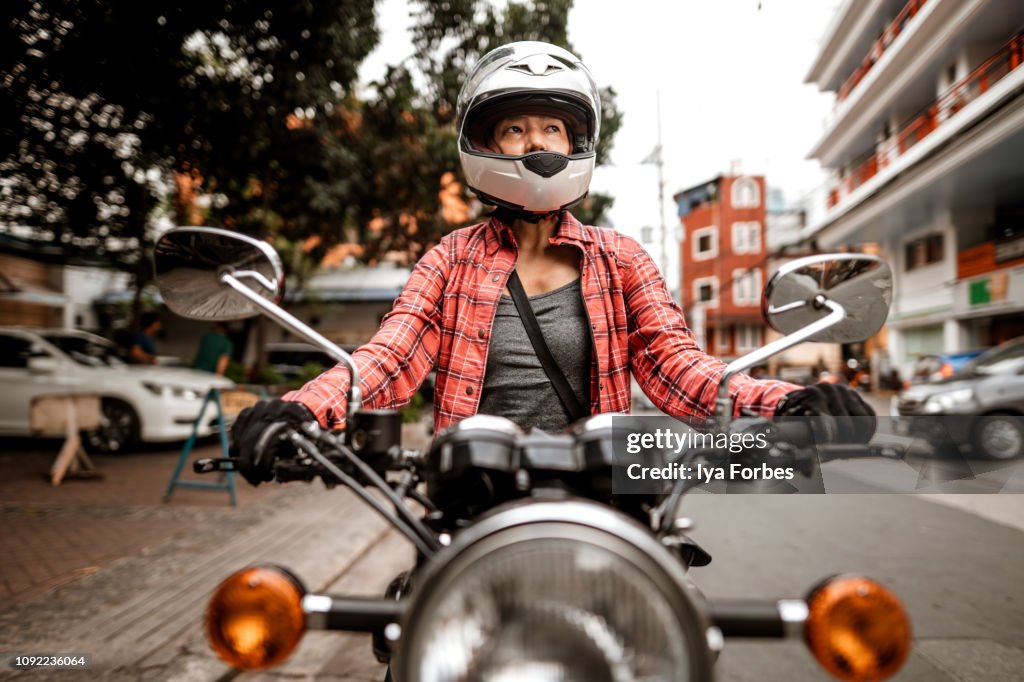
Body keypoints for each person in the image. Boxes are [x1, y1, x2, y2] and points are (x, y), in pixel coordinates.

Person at [232, 41, 874, 482]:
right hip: (471, 495)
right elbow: (389, 358)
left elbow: (678, 368)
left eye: (552, 128)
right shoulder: (448, 260)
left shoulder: (619, 259)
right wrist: (300, 412)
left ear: (577, 143)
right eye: (514, 128)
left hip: (599, 487)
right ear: (484, 144)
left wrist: (784, 405)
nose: (535, 142)